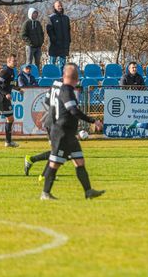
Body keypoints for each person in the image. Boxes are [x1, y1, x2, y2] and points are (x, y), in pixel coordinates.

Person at [41, 64, 104, 200]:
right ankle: (45, 193)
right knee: (55, 163)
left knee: (79, 161)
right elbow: (73, 111)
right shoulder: (66, 90)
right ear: (76, 79)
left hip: (69, 133)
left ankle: (88, 191)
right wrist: (93, 121)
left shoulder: (65, 89)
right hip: (61, 133)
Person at [47, 0, 71, 74]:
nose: (60, 7)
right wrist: (54, 40)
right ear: (54, 7)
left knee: (62, 65)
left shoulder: (66, 18)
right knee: (52, 64)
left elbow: (68, 30)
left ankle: (61, 78)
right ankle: (51, 78)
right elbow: (49, 31)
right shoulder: (51, 18)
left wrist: (69, 40)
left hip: (64, 45)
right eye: (58, 6)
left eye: (61, 5)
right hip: (54, 45)